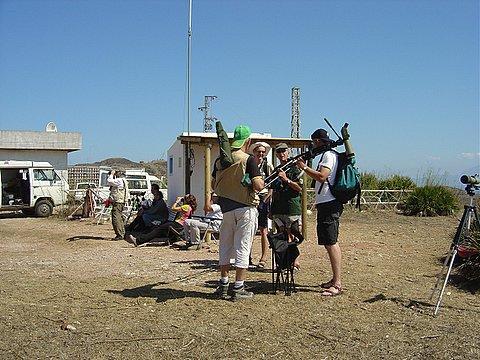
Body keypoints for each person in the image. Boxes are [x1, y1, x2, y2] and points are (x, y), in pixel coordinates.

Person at [212, 125, 264, 301]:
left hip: (226, 210)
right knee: (243, 247)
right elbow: (258, 186)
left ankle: (223, 284)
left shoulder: (220, 160)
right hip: (245, 208)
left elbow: (213, 185)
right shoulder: (248, 160)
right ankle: (239, 287)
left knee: (225, 246)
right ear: (248, 141)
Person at [296, 128, 343, 297]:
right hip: (325, 203)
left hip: (330, 203)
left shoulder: (329, 155)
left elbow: (322, 176)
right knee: (327, 241)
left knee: (331, 241)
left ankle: (337, 283)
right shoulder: (327, 155)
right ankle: (334, 279)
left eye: (314, 142)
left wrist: (303, 167)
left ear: (318, 141)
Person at [270, 143, 303, 269]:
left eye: (283, 151)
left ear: (288, 152)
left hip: (291, 208)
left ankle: (295, 262)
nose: (281, 154)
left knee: (293, 235)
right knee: (280, 236)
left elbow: (299, 188)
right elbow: (272, 190)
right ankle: (283, 262)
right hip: (278, 208)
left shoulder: (295, 168)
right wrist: (271, 209)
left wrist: (286, 180)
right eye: (278, 152)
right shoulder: (276, 170)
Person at [127, 194, 197, 246]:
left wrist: (177, 201)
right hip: (180, 225)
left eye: (184, 198)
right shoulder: (190, 207)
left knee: (157, 230)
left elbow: (173, 208)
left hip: (177, 225)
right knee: (160, 230)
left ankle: (138, 241)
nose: (183, 199)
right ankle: (171, 240)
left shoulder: (186, 206)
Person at [248, 141, 273, 269]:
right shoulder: (249, 163)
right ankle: (247, 256)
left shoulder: (267, 165)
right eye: (259, 151)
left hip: (262, 198)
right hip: (251, 199)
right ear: (254, 152)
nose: (261, 154)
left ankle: (264, 257)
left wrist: (268, 196)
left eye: (263, 152)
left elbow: (272, 182)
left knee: (263, 229)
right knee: (250, 229)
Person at [107, 169, 129, 240]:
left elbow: (109, 181)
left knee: (116, 218)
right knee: (119, 218)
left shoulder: (119, 180)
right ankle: (122, 233)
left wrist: (111, 174)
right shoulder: (124, 180)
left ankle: (119, 234)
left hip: (118, 201)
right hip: (121, 201)